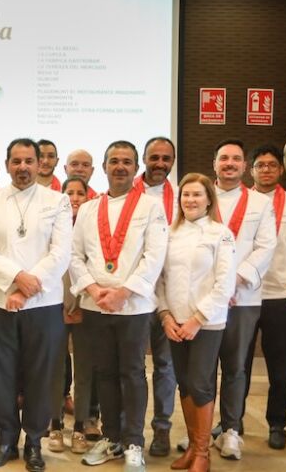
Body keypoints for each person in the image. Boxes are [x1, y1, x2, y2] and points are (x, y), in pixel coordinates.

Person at [0, 138, 73, 472]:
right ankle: (5, 440)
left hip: (43, 304)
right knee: (0, 374)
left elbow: (61, 253)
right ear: (6, 165)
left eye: (29, 161)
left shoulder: (57, 201)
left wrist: (28, 287)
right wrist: (17, 277)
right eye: (16, 161)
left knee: (40, 374)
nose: (23, 167)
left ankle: (34, 441)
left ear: (40, 164)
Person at [71, 141, 168, 471]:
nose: (120, 167)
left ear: (136, 166)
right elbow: (75, 256)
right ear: (104, 166)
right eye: (114, 161)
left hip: (133, 307)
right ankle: (112, 437)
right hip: (96, 304)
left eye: (127, 161)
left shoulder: (151, 207)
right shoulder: (87, 209)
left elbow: (154, 257)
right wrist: (95, 289)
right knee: (106, 373)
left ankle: (133, 442)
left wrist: (124, 292)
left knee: (132, 373)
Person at [156, 173, 237, 472]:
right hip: (174, 322)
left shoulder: (221, 233)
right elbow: (160, 279)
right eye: (185, 195)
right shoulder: (169, 233)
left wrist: (197, 319)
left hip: (206, 323)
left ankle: (203, 453)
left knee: (201, 385)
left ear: (208, 200)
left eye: (197, 195)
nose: (190, 200)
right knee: (185, 385)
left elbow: (225, 283)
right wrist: (164, 315)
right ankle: (192, 447)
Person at [210, 139, 277, 460]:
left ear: (244, 167)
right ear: (215, 164)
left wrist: (234, 280)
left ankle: (231, 430)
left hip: (243, 297)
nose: (230, 164)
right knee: (203, 369)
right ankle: (201, 432)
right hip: (204, 298)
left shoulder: (260, 203)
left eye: (236, 159)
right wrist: (215, 286)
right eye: (224, 158)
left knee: (236, 367)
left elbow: (266, 246)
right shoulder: (200, 195)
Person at [241, 144, 286, 450]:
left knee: (279, 366)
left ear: (280, 170)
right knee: (236, 365)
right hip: (243, 294)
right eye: (260, 165)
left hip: (280, 294)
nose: (265, 169)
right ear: (251, 170)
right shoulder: (240, 200)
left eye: (271, 165)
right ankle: (232, 421)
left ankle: (277, 423)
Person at [132, 136, 178, 457]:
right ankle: (128, 429)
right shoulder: (125, 194)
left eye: (166, 158)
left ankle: (162, 428)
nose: (160, 163)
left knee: (165, 365)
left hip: (170, 293)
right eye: (154, 157)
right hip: (134, 292)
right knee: (132, 366)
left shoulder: (182, 196)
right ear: (144, 160)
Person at [51, 176, 99, 455]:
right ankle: (55, 423)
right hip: (55, 307)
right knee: (56, 367)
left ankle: (81, 425)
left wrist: (82, 301)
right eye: (69, 192)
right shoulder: (53, 227)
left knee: (85, 369)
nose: (75, 197)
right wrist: (57, 303)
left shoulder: (92, 228)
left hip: (86, 307)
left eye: (81, 193)